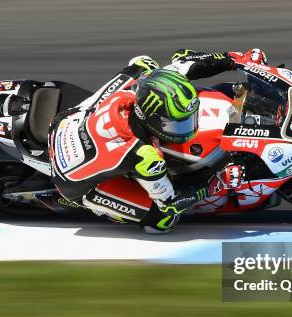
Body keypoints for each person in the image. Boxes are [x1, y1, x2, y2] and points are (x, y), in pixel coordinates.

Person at [48, 48, 267, 233]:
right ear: (151, 120)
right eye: (177, 124)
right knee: (163, 221)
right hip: (71, 178)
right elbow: (171, 202)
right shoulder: (145, 156)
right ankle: (96, 205)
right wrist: (218, 182)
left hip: (72, 119)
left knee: (143, 65)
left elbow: (188, 62)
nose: (190, 128)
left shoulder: (142, 91)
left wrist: (239, 60)